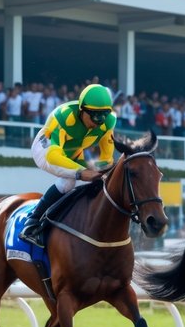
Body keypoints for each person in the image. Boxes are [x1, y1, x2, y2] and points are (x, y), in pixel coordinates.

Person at [17, 83, 116, 248]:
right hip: (46, 150)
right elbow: (53, 155)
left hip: (74, 152)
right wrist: (82, 172)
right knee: (69, 181)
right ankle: (31, 223)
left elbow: (107, 158)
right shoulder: (62, 117)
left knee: (99, 181)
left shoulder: (108, 123)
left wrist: (101, 170)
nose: (99, 122)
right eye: (95, 116)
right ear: (82, 110)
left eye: (103, 115)